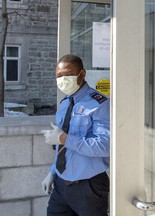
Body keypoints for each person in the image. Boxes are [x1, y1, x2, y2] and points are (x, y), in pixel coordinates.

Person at [41, 54, 110, 216]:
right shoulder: (65, 104)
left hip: (88, 188)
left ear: (82, 73)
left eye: (68, 74)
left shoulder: (99, 104)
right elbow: (62, 147)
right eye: (59, 76)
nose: (63, 79)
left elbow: (105, 146)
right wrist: (52, 172)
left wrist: (64, 138)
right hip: (60, 185)